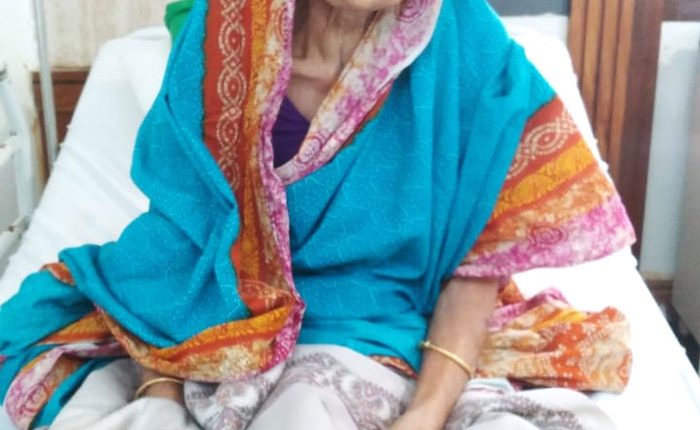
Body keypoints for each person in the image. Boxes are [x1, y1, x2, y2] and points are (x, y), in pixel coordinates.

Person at [0, 0, 635, 429]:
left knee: (305, 410)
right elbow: (177, 238)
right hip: (222, 309)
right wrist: (157, 392)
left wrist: (426, 414)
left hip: (381, 321)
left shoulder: (471, 47)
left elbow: (478, 261)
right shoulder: (224, 32)